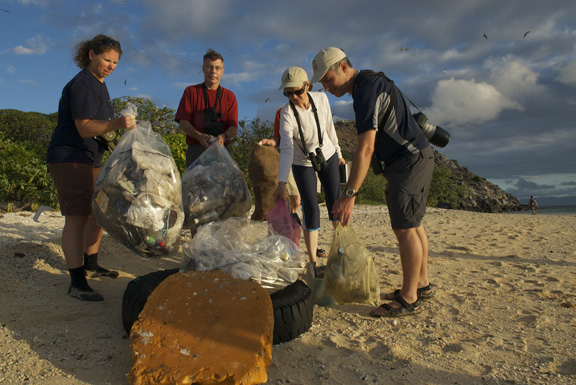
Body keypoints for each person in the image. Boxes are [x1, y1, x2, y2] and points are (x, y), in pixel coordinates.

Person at [311, 47, 435, 317]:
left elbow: (365, 148)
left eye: (328, 79)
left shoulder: (366, 91)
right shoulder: (372, 80)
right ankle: (421, 284)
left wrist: (350, 194)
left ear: (344, 67)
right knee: (414, 225)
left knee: (405, 229)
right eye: (321, 83)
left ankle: (409, 297)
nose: (326, 87)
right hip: (416, 157)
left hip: (409, 160)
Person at [46, 34, 136, 301]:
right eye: (106, 60)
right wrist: (119, 123)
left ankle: (91, 263)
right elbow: (84, 127)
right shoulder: (83, 85)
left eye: (115, 62)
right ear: (91, 55)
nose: (110, 66)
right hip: (70, 157)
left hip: (91, 158)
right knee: (76, 217)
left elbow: (101, 130)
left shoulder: (100, 85)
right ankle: (76, 282)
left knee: (99, 212)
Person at [272, 66, 345, 276]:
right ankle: (313, 263)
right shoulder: (287, 114)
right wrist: (282, 183)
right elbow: (286, 149)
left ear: (307, 86)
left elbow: (330, 127)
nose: (293, 97)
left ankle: (341, 251)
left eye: (297, 91)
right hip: (302, 161)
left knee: (335, 202)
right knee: (311, 207)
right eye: (288, 93)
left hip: (327, 154)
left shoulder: (321, 99)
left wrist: (339, 153)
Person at [175, 49, 239, 168]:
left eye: (217, 68)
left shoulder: (229, 96)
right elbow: (183, 123)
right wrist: (199, 135)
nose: (213, 71)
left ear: (222, 71)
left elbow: (234, 128)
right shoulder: (191, 92)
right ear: (203, 69)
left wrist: (223, 136)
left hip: (221, 150)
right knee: (193, 185)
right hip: (196, 150)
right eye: (209, 67)